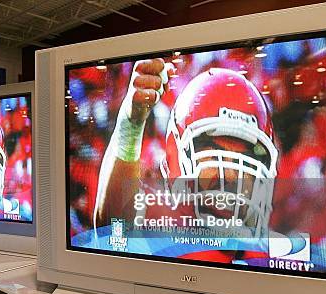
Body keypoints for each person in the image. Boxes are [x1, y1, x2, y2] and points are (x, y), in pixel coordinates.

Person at [94, 58, 278, 240]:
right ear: (177, 156)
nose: (229, 176)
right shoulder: (159, 225)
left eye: (245, 161)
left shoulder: (272, 258)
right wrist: (131, 128)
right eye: (214, 155)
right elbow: (112, 231)